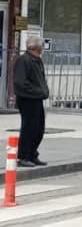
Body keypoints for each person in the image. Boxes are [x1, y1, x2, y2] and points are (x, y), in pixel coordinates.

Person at [13, 37, 49, 168]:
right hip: (27, 100)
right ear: (37, 48)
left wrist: (42, 91)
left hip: (37, 99)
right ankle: (23, 156)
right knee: (29, 128)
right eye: (42, 46)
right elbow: (20, 83)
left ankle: (32, 154)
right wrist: (39, 91)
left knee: (38, 129)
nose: (43, 49)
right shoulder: (24, 60)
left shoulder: (37, 60)